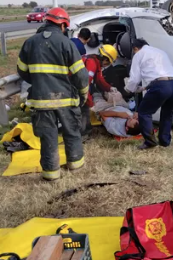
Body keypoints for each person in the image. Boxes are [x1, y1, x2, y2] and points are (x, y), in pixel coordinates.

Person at [17, 7, 89, 182]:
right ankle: (76, 165)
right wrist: (83, 93)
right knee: (71, 132)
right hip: (65, 98)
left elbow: (22, 71)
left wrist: (39, 81)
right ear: (63, 25)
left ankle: (51, 174)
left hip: (41, 100)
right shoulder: (67, 43)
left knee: (48, 137)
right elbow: (80, 75)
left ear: (46, 21)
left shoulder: (30, 42)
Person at [124, 39, 173, 150]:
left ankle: (150, 142)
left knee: (144, 112)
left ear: (135, 48)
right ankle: (165, 141)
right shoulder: (160, 52)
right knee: (167, 113)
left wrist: (129, 89)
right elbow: (161, 73)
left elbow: (134, 78)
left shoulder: (139, 54)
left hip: (161, 86)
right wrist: (145, 87)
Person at [82, 44, 119, 140]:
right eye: (109, 62)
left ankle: (86, 133)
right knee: (83, 111)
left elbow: (99, 79)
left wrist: (109, 88)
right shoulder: (91, 64)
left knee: (84, 110)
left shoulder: (95, 61)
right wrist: (91, 103)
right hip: (73, 88)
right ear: (105, 59)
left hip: (77, 86)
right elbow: (84, 86)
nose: (107, 65)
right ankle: (83, 136)